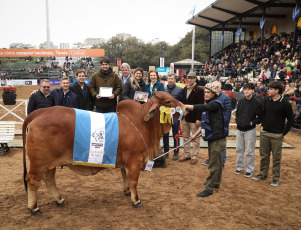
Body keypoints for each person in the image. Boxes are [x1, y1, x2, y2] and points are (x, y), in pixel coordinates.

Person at [186, 83, 227, 197]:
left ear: (214, 93)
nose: (206, 94)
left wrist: (188, 106)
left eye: (208, 92)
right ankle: (216, 183)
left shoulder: (215, 104)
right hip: (213, 138)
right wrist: (195, 135)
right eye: (205, 92)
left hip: (218, 139)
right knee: (217, 163)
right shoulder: (210, 104)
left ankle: (209, 188)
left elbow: (202, 107)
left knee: (214, 164)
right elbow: (204, 124)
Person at [253, 81, 294, 187]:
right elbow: (262, 115)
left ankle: (275, 178)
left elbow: (290, 120)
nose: (268, 90)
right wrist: (259, 124)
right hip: (265, 133)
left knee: (276, 158)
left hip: (277, 135)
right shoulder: (266, 101)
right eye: (269, 88)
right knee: (264, 156)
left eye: (271, 89)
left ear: (277, 90)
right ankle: (263, 174)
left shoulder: (285, 103)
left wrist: (283, 133)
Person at [235, 83, 263, 178]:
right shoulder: (241, 101)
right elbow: (238, 113)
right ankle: (239, 167)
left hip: (250, 130)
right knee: (239, 149)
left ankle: (250, 170)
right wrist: (237, 121)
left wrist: (252, 122)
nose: (246, 91)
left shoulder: (257, 103)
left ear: (253, 91)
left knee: (249, 151)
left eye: (248, 89)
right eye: (245, 89)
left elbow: (260, 117)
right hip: (239, 129)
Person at [202, 81, 231, 168]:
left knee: (220, 144)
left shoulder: (226, 97)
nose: (216, 89)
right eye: (214, 87)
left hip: (220, 126)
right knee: (211, 143)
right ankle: (211, 159)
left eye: (217, 87)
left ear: (220, 88)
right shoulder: (211, 98)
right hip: (210, 125)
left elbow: (227, 113)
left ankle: (221, 161)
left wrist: (222, 125)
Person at [179, 72, 204, 165]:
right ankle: (187, 154)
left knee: (195, 137)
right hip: (185, 117)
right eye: (188, 78)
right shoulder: (185, 88)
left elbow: (201, 105)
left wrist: (199, 118)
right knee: (185, 137)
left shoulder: (199, 90)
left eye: (191, 78)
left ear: (195, 79)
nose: (189, 79)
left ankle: (195, 156)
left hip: (194, 117)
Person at [163, 73, 184, 161]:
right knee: (165, 134)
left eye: (172, 78)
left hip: (175, 116)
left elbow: (182, 102)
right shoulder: (163, 89)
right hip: (165, 116)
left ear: (175, 80)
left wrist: (180, 114)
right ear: (167, 79)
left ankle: (176, 152)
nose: (170, 80)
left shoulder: (180, 90)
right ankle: (166, 152)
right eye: (169, 78)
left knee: (176, 134)